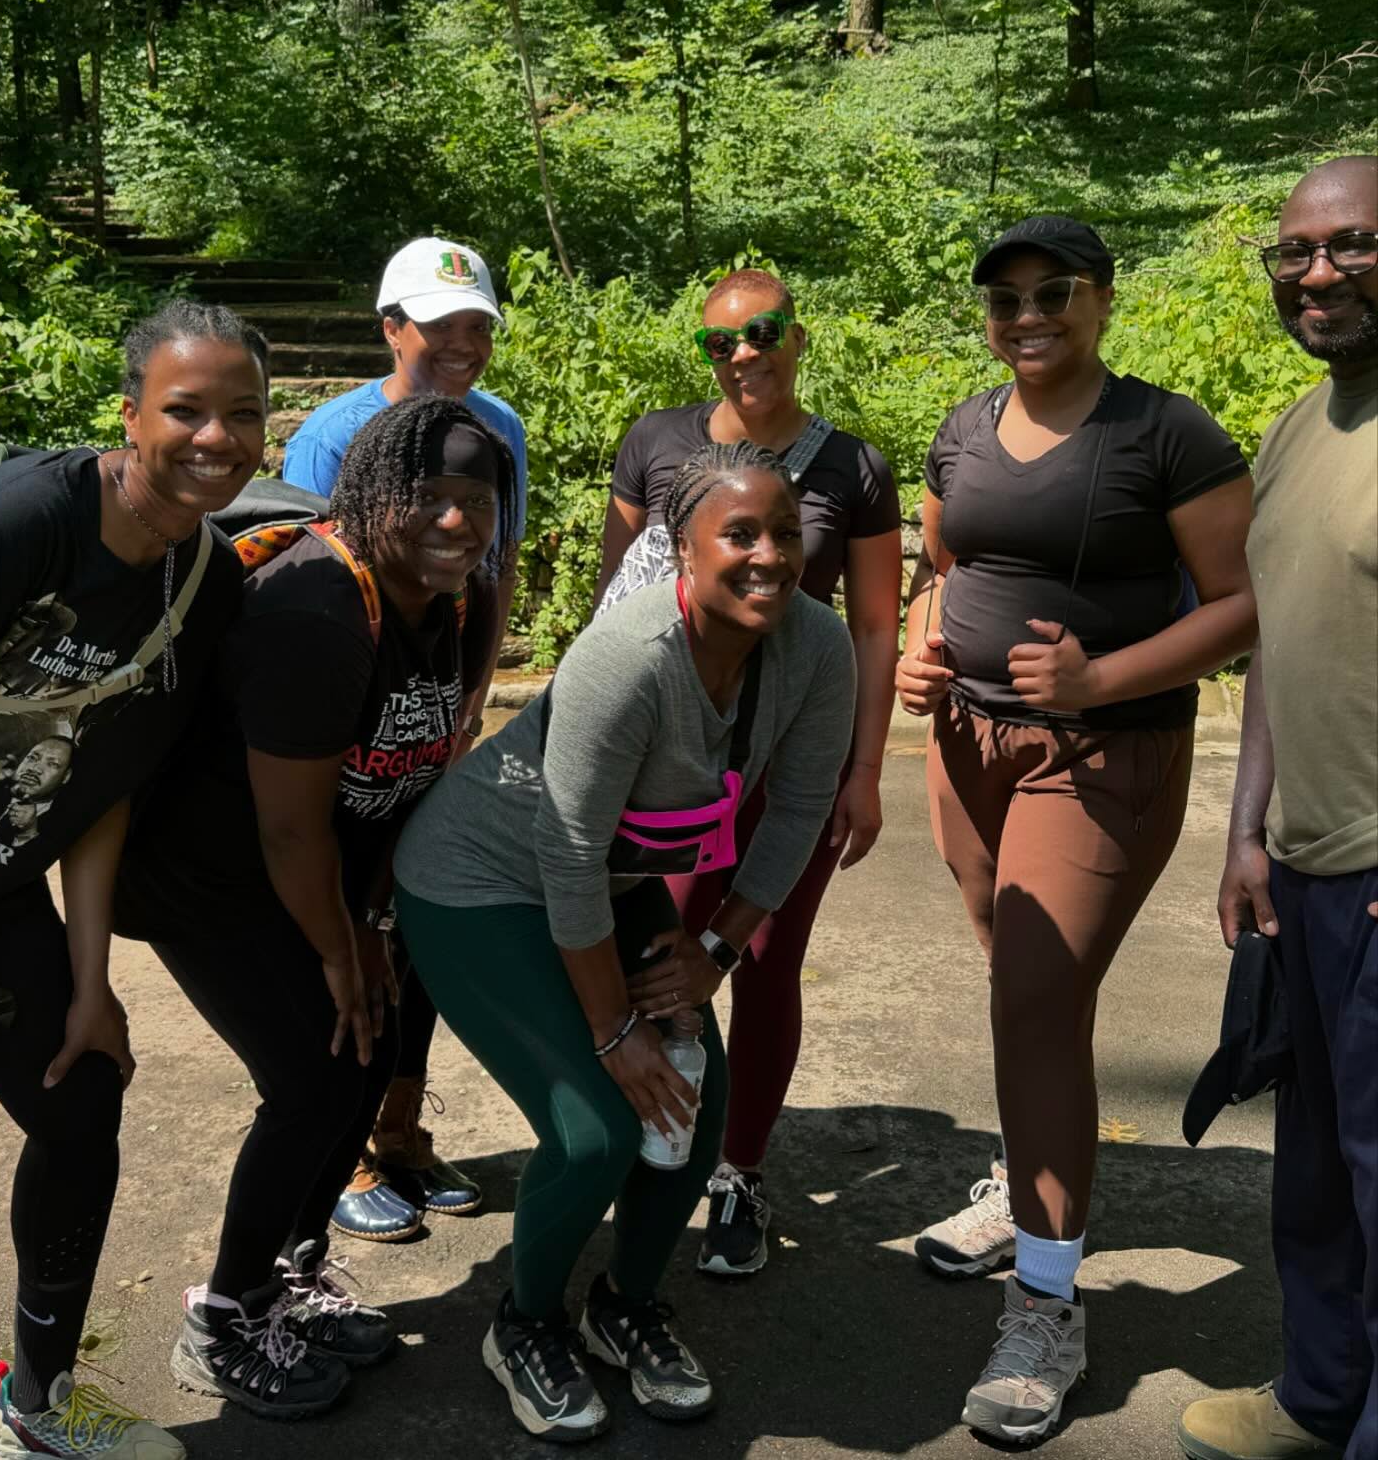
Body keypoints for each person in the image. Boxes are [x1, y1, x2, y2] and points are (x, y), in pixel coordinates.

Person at [394, 442, 857, 1442]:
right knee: (597, 1128)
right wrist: (614, 1032)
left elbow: (804, 805)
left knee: (699, 1098)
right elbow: (561, 852)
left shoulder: (816, 647)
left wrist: (718, 951)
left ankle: (628, 1304)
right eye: (739, 533)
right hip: (479, 884)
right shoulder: (629, 658)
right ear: (683, 551)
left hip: (611, 879)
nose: (770, 554)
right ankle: (522, 1323)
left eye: (785, 531)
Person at [896, 215, 1258, 1446]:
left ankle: (1048, 1305)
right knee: (1021, 988)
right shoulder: (963, 422)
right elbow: (943, 559)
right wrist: (918, 642)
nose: (1027, 315)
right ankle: (1025, 1181)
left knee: (1038, 1002)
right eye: (1003, 299)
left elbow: (1243, 604)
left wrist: (1099, 681)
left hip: (1105, 756)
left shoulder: (1166, 431)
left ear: (1102, 300)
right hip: (970, 744)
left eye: (1054, 293)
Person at [115, 396, 516, 1420]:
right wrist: (341, 953)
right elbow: (291, 829)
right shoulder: (317, 612)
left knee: (370, 1050)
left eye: (477, 499)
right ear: (373, 495)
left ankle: (290, 1270)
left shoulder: (462, 602)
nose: (457, 522)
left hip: (325, 870)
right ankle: (226, 1317)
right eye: (429, 498)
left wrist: (375, 929)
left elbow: (419, 775)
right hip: (204, 876)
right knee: (310, 1073)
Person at [0, 298, 269, 1460]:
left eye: (243, 415)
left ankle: (31, 1415)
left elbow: (103, 782)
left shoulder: (203, 583)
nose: (216, 438)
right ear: (129, 414)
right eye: (185, 410)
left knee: (82, 1099)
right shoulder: (18, 521)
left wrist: (92, 984)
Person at [593, 268, 902, 1275]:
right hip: (669, 762)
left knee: (764, 959)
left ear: (797, 338)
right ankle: (650, 1142)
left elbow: (872, 627)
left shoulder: (852, 468)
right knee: (660, 955)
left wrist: (864, 767)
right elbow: (616, 604)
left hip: (790, 759)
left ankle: (741, 1171)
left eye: (762, 334)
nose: (743, 355)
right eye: (720, 342)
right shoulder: (656, 443)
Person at [1179, 156, 1378, 1460]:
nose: (1315, 275)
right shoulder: (1304, 426)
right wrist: (1248, 828)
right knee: (1310, 1173)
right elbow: (1276, 649)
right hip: (1306, 868)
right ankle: (1319, 1400)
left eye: (1351, 247)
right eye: (1292, 254)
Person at [283, 235, 528, 1234]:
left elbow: (494, 569)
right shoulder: (336, 433)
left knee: (416, 925)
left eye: (478, 327)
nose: (462, 345)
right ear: (393, 328)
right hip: (344, 732)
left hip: (434, 722)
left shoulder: (498, 424)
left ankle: (398, 1131)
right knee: (338, 928)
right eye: (440, 326)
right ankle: (335, 1155)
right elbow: (300, 590)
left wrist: (468, 705)